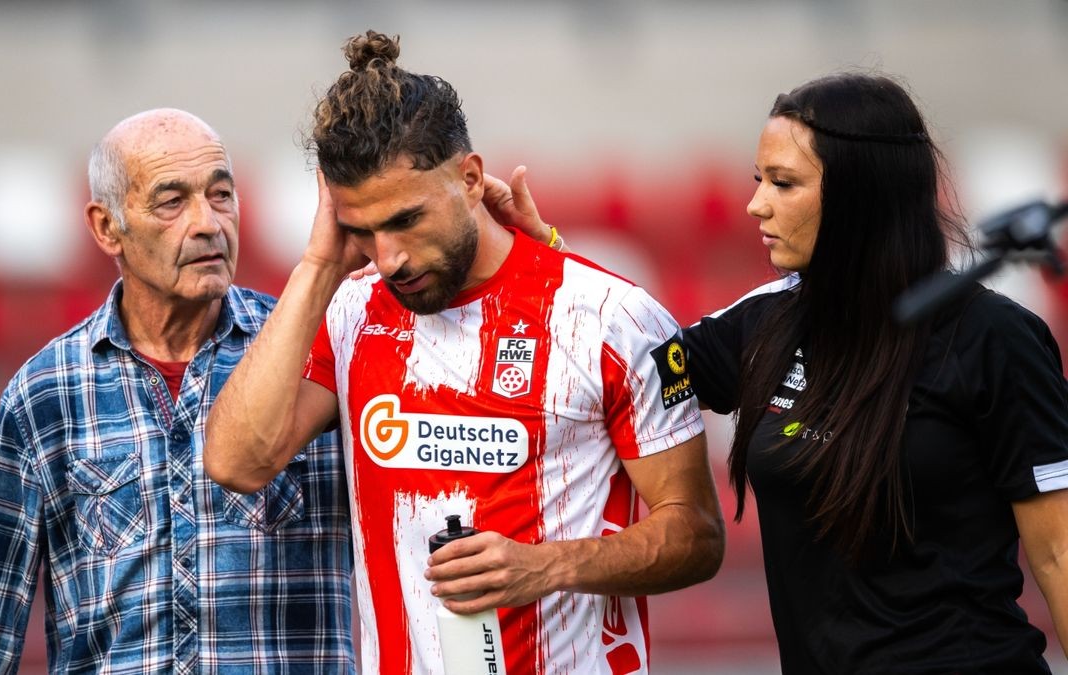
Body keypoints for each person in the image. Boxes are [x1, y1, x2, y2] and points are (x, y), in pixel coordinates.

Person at [499, 72, 1068, 674]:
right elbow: (627, 364)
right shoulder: (765, 322)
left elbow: (1057, 552)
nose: (756, 204)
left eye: (783, 183)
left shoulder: (996, 339)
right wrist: (549, 259)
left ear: (862, 195)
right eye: (757, 180)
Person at [203, 31, 724, 674]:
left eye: (405, 220)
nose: (387, 258)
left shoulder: (609, 318)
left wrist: (545, 566)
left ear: (471, 179)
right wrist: (318, 265)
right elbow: (235, 463)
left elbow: (697, 534)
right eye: (361, 229)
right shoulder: (350, 310)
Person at [0, 109, 354, 673]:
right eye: (172, 202)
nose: (207, 223)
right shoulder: (46, 392)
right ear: (106, 227)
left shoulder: (318, 358)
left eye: (221, 195)